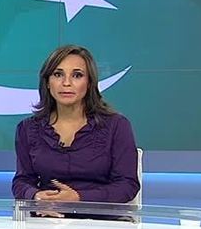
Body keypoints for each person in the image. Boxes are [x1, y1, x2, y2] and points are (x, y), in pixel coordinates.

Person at [11, 44, 139, 212]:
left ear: (89, 83)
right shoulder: (27, 129)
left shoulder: (117, 126)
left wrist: (79, 198)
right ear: (47, 82)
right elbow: (22, 181)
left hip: (101, 220)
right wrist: (36, 196)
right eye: (58, 74)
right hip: (48, 220)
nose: (66, 83)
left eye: (77, 75)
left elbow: (127, 185)